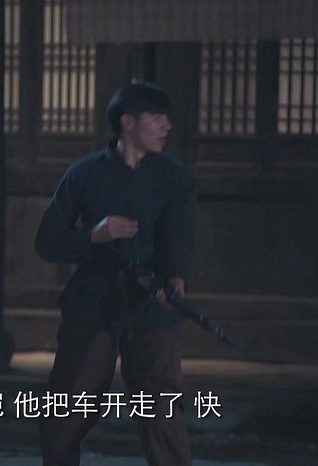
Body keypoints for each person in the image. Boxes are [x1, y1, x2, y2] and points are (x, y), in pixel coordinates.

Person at [35, 82, 196, 466]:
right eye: (156, 118)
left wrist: (174, 282)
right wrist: (94, 235)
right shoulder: (86, 173)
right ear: (128, 122)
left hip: (152, 302)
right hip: (94, 302)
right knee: (69, 406)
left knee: (161, 407)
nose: (166, 126)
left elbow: (178, 238)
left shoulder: (173, 176)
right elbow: (47, 241)